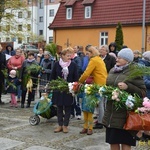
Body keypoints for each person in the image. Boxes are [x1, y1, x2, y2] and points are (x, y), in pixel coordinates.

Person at [102, 48, 146, 150]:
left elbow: (142, 92)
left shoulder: (134, 72)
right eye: (117, 57)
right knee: (113, 141)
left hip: (126, 114)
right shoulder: (113, 70)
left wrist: (128, 87)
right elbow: (109, 85)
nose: (117, 59)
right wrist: (105, 90)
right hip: (112, 113)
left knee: (126, 142)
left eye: (120, 58)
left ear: (128, 60)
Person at [79, 45, 107, 135]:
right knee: (89, 107)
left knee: (88, 107)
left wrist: (79, 81)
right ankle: (87, 126)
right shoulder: (99, 59)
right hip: (100, 85)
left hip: (94, 86)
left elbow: (86, 72)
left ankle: (89, 127)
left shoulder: (94, 60)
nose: (87, 55)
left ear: (91, 53)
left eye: (88, 53)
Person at [50, 47, 79, 133]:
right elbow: (52, 76)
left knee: (67, 107)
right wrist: (53, 85)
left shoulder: (73, 65)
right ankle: (59, 125)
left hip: (68, 89)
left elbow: (76, 77)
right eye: (67, 55)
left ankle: (65, 125)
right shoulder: (56, 64)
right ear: (62, 55)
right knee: (59, 107)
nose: (69, 57)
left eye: (70, 56)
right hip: (58, 89)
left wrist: (74, 87)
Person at [93, 45, 116, 129]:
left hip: (108, 81)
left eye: (102, 50)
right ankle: (101, 119)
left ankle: (103, 121)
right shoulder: (98, 58)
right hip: (98, 82)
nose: (101, 51)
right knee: (99, 102)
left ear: (106, 51)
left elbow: (114, 69)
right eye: (100, 50)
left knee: (104, 102)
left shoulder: (111, 59)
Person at [70, 46, 83, 119]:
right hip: (70, 81)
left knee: (76, 98)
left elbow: (79, 68)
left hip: (75, 79)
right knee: (71, 97)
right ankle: (71, 113)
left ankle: (78, 113)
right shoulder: (69, 59)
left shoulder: (77, 59)